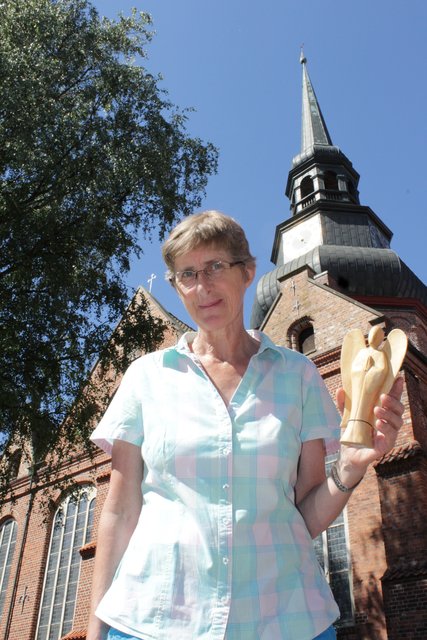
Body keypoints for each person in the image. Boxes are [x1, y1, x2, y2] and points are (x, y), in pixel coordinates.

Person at [87, 210, 404, 640]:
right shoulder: (146, 376)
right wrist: (96, 630)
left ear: (247, 272)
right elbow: (120, 511)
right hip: (155, 620)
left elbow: (302, 517)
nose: (202, 286)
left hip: (285, 621)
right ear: (176, 286)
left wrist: (349, 468)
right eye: (187, 274)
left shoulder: (298, 374)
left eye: (215, 266)